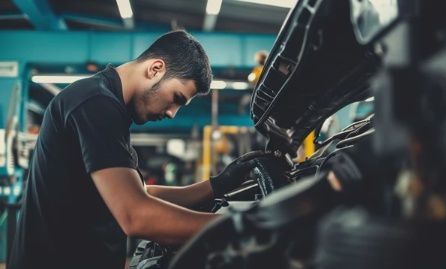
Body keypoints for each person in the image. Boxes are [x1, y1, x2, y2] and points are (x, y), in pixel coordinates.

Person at [9, 30, 266, 269]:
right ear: (155, 69)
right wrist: (248, 225)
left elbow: (142, 194)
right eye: (176, 98)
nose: (172, 113)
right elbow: (136, 215)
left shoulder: (109, 109)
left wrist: (217, 185)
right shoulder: (94, 104)